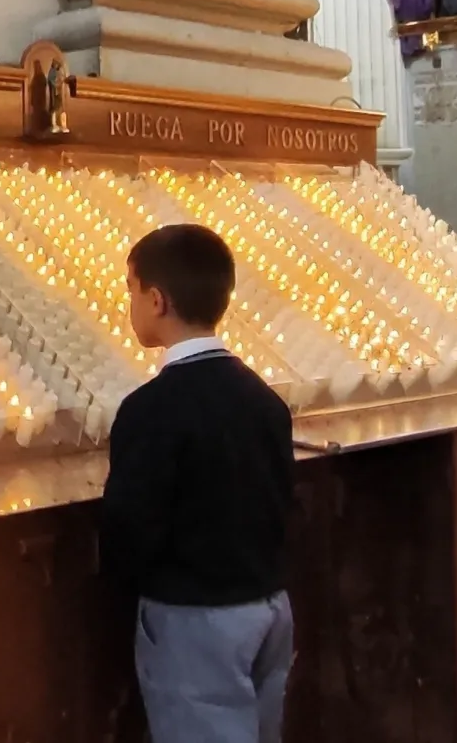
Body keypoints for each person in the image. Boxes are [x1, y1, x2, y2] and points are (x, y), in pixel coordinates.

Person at [102, 224, 296, 743]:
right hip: (269, 606)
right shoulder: (263, 399)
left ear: (157, 299)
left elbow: (130, 529)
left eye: (130, 289)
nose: (130, 303)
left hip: (196, 619)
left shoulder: (152, 409)